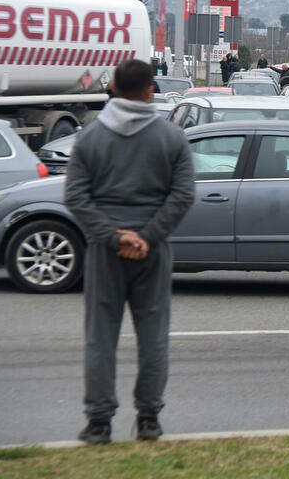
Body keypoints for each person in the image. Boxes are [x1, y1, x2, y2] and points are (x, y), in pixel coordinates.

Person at [65, 59, 195, 444]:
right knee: (153, 335)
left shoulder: (89, 137)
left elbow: (75, 195)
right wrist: (148, 236)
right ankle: (149, 419)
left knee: (100, 337)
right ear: (149, 90)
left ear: (115, 89)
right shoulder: (171, 136)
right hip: (152, 251)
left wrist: (114, 237)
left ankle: (99, 422)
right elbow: (184, 193)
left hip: (105, 250)